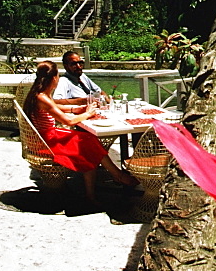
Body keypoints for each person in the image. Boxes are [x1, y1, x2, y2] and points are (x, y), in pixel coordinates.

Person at [24, 60, 139, 205]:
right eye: (57, 76)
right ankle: (117, 177)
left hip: (46, 136)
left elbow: (55, 107)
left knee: (89, 141)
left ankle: (104, 185)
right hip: (46, 142)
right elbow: (69, 122)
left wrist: (76, 109)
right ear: (54, 78)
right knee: (88, 143)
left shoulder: (40, 94)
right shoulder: (42, 97)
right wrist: (87, 113)